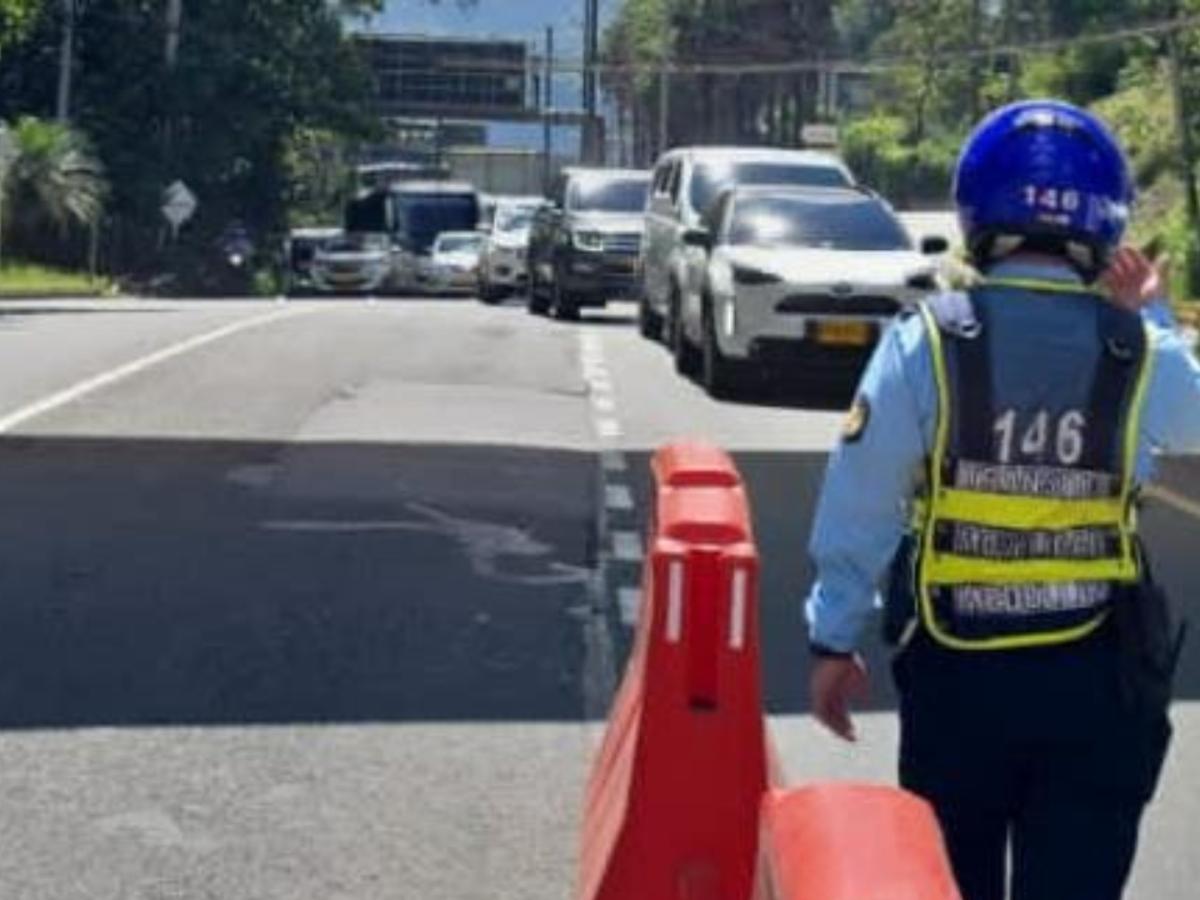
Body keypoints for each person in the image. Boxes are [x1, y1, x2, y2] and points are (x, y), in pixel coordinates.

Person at [804, 99, 1200, 900]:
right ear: (1108, 219)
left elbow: (863, 501)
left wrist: (833, 641)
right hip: (1098, 684)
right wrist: (1151, 313)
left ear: (976, 208)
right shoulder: (1138, 350)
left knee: (954, 881)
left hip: (960, 679)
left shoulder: (928, 341)